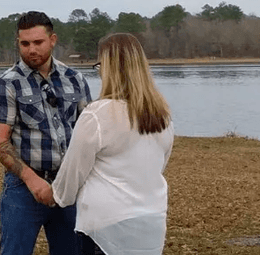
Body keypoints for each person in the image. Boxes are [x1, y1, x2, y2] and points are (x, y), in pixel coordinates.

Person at [50, 33, 174, 255]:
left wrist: (56, 196)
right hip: (151, 222)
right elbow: (157, 166)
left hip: (105, 228)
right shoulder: (162, 116)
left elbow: (73, 172)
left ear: (108, 68)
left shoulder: (97, 115)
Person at [0, 11, 93, 255]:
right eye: (24, 44)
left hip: (69, 185)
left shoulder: (75, 79)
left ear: (52, 40)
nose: (31, 49)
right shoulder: (8, 83)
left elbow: (89, 134)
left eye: (38, 42)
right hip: (23, 188)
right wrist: (31, 179)